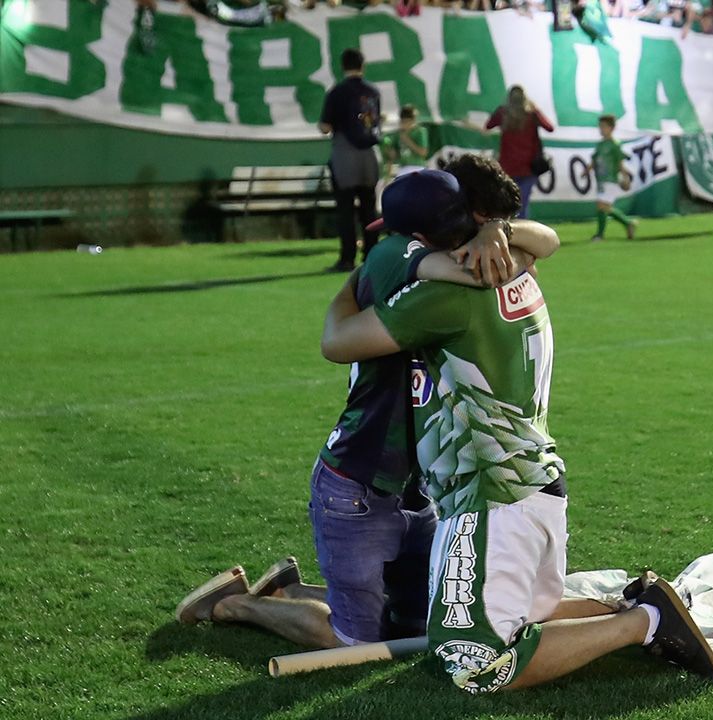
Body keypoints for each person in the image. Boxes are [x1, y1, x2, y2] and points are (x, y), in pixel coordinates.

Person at [318, 190, 713, 693]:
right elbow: (542, 241)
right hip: (533, 479)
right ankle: (629, 607)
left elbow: (336, 342)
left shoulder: (445, 295)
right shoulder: (514, 266)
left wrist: (355, 281)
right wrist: (501, 232)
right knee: (522, 614)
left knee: (472, 663)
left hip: (490, 495)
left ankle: (644, 621)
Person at [174, 161, 564, 650]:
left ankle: (288, 588)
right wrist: (488, 244)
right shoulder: (394, 255)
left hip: (413, 484)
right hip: (358, 478)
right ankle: (237, 604)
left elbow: (540, 243)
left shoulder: (435, 253)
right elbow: (337, 341)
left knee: (420, 624)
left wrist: (494, 232)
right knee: (355, 642)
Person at [321, 48, 381, 272]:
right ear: (363, 66)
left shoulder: (337, 92)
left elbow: (325, 126)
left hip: (345, 154)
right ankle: (372, 255)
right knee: (369, 208)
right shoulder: (373, 92)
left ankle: (347, 258)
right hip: (369, 154)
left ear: (343, 66)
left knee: (345, 209)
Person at [486, 86, 555, 220]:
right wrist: (536, 109)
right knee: (522, 203)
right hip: (529, 167)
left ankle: (508, 232)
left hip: (507, 166)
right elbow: (550, 128)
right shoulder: (532, 114)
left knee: (508, 203)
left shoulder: (502, 113)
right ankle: (522, 234)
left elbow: (488, 126)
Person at [590, 115, 638, 242]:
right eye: (600, 126)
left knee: (602, 206)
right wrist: (587, 170)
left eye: (604, 126)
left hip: (611, 179)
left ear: (612, 128)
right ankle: (628, 223)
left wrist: (625, 177)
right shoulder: (600, 145)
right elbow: (595, 159)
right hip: (601, 179)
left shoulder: (615, 144)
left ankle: (600, 235)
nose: (601, 129)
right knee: (604, 207)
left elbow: (620, 163)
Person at [381, 104, 430, 180]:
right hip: (402, 168)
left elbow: (423, 152)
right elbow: (394, 155)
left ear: (413, 121)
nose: (404, 124)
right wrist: (391, 152)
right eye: (402, 121)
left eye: (407, 121)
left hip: (417, 167)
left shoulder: (420, 132)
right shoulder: (397, 134)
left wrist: (408, 141)